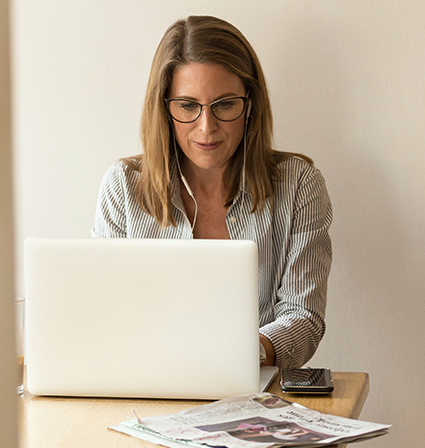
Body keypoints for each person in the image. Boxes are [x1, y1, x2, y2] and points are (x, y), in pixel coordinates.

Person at [91, 15, 332, 369]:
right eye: (188, 106)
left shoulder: (298, 184)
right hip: (146, 386)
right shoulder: (123, 186)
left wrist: (240, 354)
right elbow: (104, 314)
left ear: (249, 103)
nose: (207, 127)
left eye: (224, 105)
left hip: (256, 391)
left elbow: (304, 318)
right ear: (165, 108)